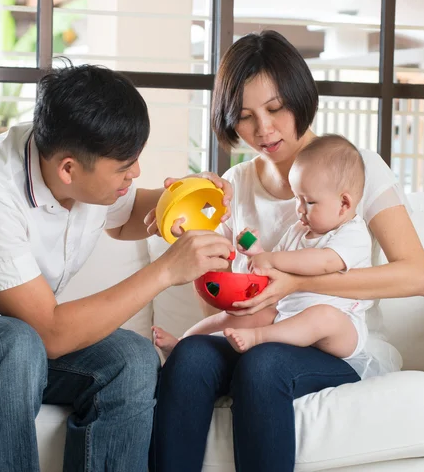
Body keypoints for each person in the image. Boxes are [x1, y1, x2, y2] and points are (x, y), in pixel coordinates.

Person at [0, 63, 236, 472]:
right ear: (68, 169)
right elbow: (48, 333)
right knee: (14, 343)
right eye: (124, 167)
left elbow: (125, 219)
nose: (136, 173)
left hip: (11, 346)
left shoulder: (74, 155)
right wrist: (164, 271)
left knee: (133, 357)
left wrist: (190, 196)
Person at [149, 30, 424, 472]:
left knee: (262, 366)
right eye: (245, 117)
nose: (264, 129)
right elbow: (217, 290)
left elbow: (418, 276)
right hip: (256, 330)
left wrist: (298, 282)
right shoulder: (236, 183)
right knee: (189, 358)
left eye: (276, 108)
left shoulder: (356, 166)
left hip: (329, 342)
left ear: (300, 97)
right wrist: (195, 224)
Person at [153, 134, 375, 377]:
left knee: (324, 316)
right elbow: (272, 266)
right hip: (287, 314)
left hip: (340, 331)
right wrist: (256, 251)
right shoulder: (298, 230)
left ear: (344, 203)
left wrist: (271, 260)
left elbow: (323, 262)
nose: (299, 209)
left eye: (309, 202)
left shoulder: (353, 233)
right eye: (297, 199)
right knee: (242, 313)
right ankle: (184, 343)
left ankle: (258, 337)